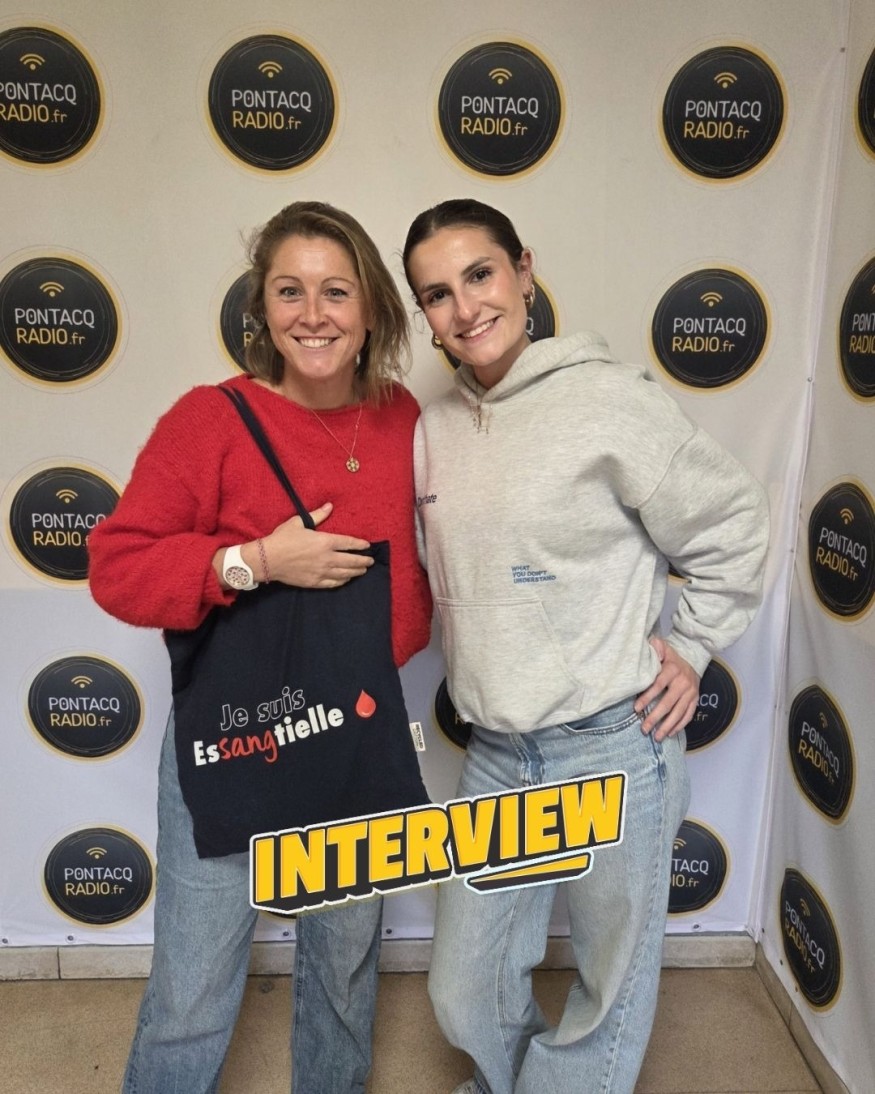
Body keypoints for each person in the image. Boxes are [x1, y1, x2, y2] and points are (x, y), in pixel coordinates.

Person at [401, 198, 769, 1094]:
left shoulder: (609, 401)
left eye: (480, 275)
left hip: (611, 743)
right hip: (498, 754)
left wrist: (691, 644)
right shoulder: (431, 430)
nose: (465, 308)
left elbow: (733, 526)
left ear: (523, 272)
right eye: (437, 294)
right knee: (462, 989)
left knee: (610, 990)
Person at [87, 201, 432, 1094]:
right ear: (261, 307)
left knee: (345, 967)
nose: (312, 314)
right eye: (289, 291)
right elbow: (117, 570)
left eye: (335, 291)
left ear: (371, 309)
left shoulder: (401, 418)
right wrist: (255, 562)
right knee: (195, 984)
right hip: (237, 732)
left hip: (354, 729)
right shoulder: (211, 420)